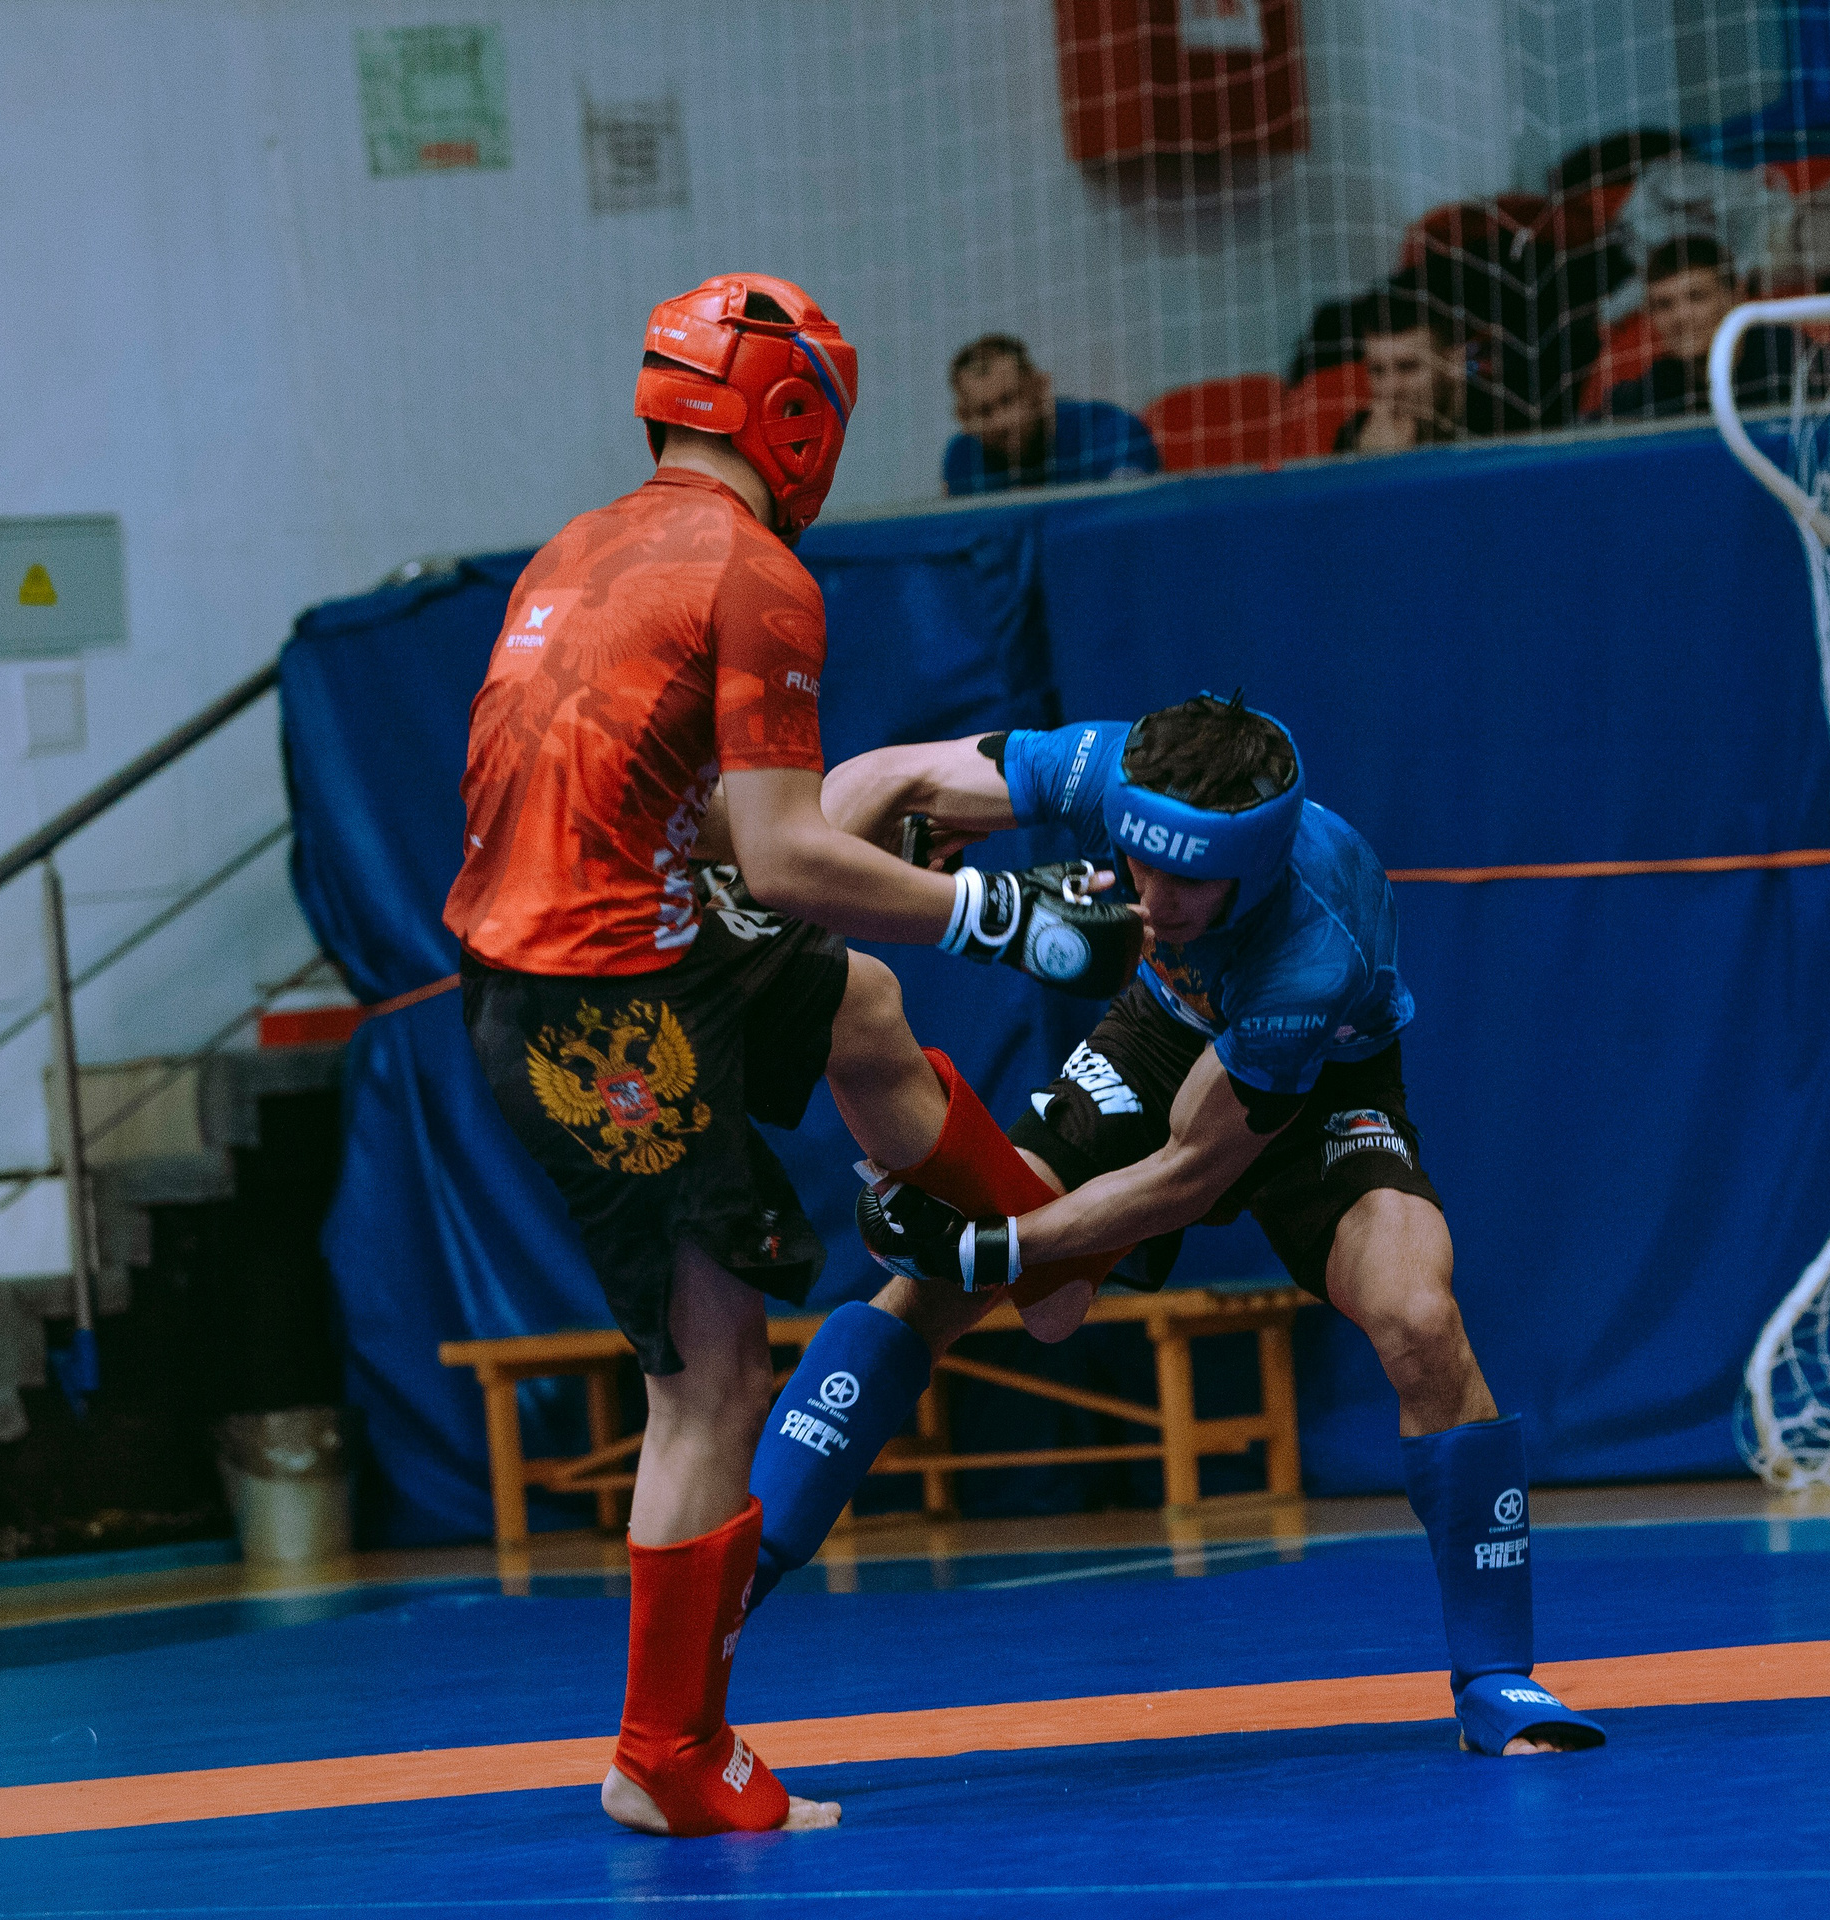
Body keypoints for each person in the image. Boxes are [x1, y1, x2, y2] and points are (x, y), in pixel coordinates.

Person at [445, 272, 1146, 1840]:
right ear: (794, 418)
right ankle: (665, 1758)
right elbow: (784, 861)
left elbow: (690, 832)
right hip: (599, 1006)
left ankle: (1028, 1248)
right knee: (713, 1381)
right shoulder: (755, 573)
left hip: (602, 941)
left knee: (857, 1013)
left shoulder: (586, 540)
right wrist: (998, 914)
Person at [741, 694, 1610, 1760]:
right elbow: (880, 782)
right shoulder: (1104, 766)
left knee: (1418, 1316)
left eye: (1188, 882)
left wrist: (1012, 1245)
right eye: (1136, 869)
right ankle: (736, 1576)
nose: (1150, 902)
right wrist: (791, 904)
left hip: (1317, 1087)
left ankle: (1496, 1679)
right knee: (927, 1290)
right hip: (1159, 1032)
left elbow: (1191, 1174)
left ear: (1259, 861)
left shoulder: (1309, 951)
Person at [1603, 236, 1800, 420]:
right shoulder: (1655, 390)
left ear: (1736, 294)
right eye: (1664, 304)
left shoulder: (1792, 361)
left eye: (1697, 296)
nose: (1681, 316)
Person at [942, 335, 1160, 494]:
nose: (1001, 422)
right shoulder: (963, 458)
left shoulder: (1110, 430)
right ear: (964, 418)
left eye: (1009, 400)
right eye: (984, 412)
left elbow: (1131, 517)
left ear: (1040, 387)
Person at [1332, 293, 1466, 454]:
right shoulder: (1356, 433)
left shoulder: (1493, 423)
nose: (1390, 388)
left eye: (1407, 367)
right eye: (1377, 370)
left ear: (1453, 363)